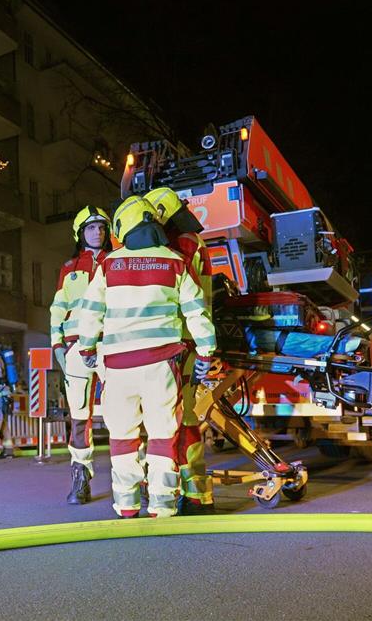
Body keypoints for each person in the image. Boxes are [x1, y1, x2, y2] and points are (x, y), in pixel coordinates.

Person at [76, 196, 216, 518]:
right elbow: (197, 313)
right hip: (162, 366)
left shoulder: (109, 264)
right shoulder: (175, 260)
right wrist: (207, 352)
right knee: (163, 436)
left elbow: (90, 313)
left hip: (118, 368)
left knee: (123, 438)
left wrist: (86, 349)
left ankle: (126, 506)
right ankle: (163, 506)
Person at [144, 186, 215, 515]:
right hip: (190, 341)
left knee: (174, 420)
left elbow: (174, 294)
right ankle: (194, 494)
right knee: (182, 418)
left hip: (177, 342)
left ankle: (181, 496)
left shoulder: (178, 245)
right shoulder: (194, 241)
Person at [49, 205, 112, 504]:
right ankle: (80, 476)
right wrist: (57, 345)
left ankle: (136, 478)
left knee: (125, 413)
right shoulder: (70, 267)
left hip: (110, 345)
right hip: (75, 348)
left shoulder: (118, 261)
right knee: (79, 417)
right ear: (80, 233)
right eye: (90, 228)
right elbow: (58, 308)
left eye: (101, 227)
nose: (97, 232)